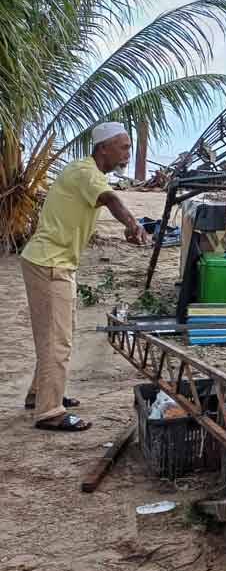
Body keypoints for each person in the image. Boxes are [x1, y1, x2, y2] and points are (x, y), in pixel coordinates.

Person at [20, 122, 148, 432]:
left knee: (57, 331)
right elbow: (111, 200)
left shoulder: (86, 172)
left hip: (51, 261)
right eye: (124, 146)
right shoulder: (86, 173)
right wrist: (133, 225)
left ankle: (40, 393)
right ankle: (49, 412)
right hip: (51, 264)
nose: (128, 153)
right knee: (57, 338)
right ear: (103, 148)